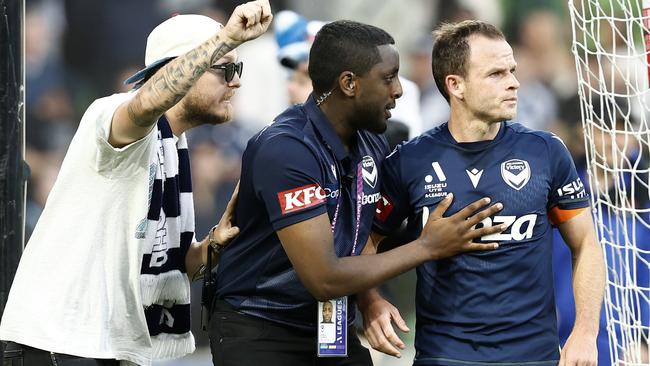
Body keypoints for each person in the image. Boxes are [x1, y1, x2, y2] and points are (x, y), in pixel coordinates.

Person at [209, 20, 507, 366]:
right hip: (260, 329)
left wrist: (368, 299)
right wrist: (428, 246)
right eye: (388, 77)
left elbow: (352, 240)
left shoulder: (372, 141)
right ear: (349, 84)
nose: (398, 90)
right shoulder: (286, 150)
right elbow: (324, 278)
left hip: (330, 327)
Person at [0, 2, 272, 365]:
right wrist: (225, 36)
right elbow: (149, 101)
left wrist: (214, 246)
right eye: (225, 68)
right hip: (57, 345)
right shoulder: (113, 113)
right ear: (177, 71)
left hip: (101, 349)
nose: (236, 81)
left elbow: (168, 269)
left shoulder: (176, 144)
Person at [359, 20, 606, 366]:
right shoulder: (410, 161)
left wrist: (584, 331)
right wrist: (369, 301)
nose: (514, 82)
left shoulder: (545, 152)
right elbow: (364, 242)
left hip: (533, 358)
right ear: (455, 85)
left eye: (513, 70)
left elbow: (586, 245)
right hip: (444, 357)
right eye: (496, 74)